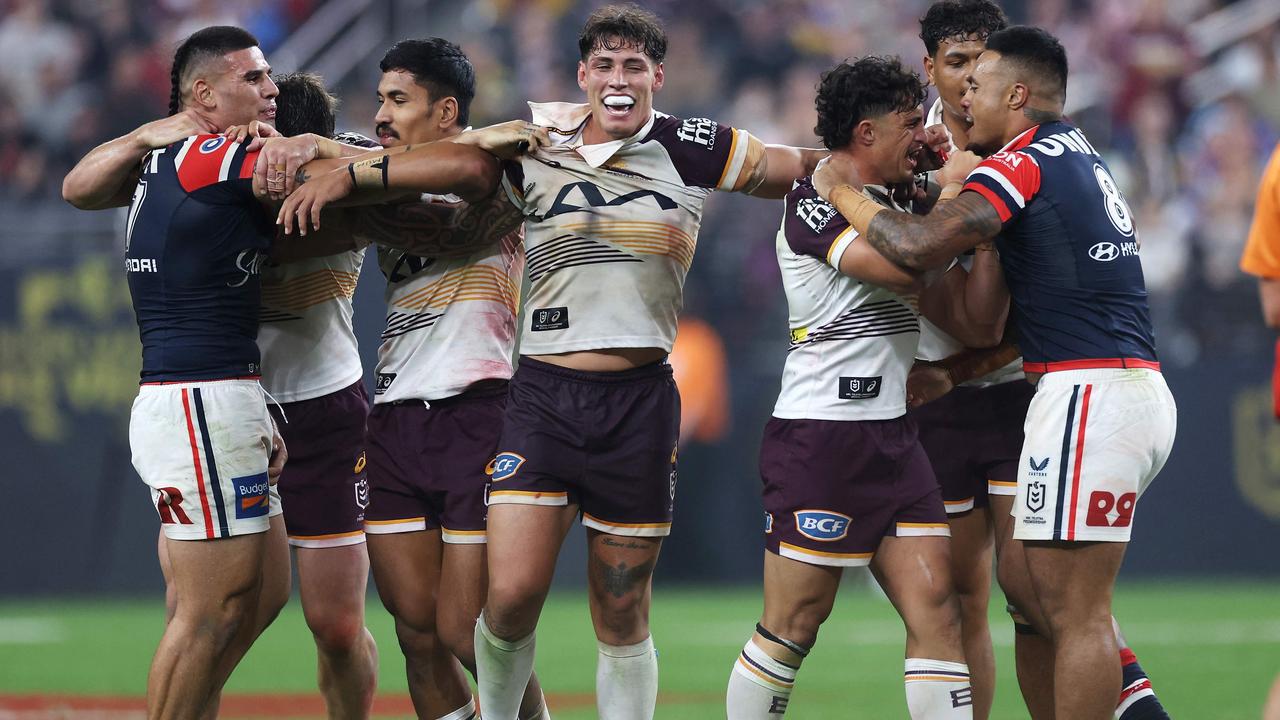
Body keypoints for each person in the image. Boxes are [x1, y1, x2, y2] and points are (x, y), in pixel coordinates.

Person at [275, 6, 825, 717]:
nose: (618, 79)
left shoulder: (689, 144)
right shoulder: (540, 139)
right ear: (581, 75)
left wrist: (882, 170)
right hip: (522, 400)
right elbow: (434, 171)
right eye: (604, 65)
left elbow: (795, 168)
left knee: (615, 607)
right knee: (486, 609)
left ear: (658, 76)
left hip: (589, 398)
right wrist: (328, 161)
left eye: (633, 66)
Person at [812, 26, 1177, 720]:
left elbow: (918, 247)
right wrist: (956, 372)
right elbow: (1029, 320)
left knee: (1075, 614)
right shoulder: (1078, 152)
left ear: (1017, 94)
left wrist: (842, 192)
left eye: (975, 86)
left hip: (1089, 395)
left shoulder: (1022, 161)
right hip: (1115, 389)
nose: (961, 100)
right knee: (1030, 594)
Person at [725, 56, 988, 720]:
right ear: (865, 134)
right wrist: (933, 190)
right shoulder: (813, 199)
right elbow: (902, 269)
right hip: (822, 437)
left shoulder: (904, 197)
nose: (917, 134)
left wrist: (944, 157)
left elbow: (965, 188)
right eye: (907, 123)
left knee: (939, 608)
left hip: (896, 436)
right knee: (794, 625)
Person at [62, 27, 293, 719]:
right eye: (253, 79)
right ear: (204, 96)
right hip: (197, 398)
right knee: (206, 613)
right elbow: (327, 176)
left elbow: (77, 187)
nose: (272, 89)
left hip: (219, 392)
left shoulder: (167, 157)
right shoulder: (211, 153)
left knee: (262, 593)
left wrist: (138, 138)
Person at [354, 39, 548, 720]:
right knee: (415, 632)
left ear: (445, 111)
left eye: (397, 100)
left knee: (466, 628)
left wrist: (343, 172)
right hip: (396, 411)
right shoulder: (381, 169)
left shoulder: (496, 169)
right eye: (379, 99)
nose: (381, 114)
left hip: (478, 405)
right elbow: (326, 155)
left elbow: (463, 201)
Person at [258, 71, 379, 720]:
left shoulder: (349, 154)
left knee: (335, 626)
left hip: (327, 407)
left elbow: (432, 165)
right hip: (235, 407)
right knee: (203, 612)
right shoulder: (216, 167)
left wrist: (319, 152)